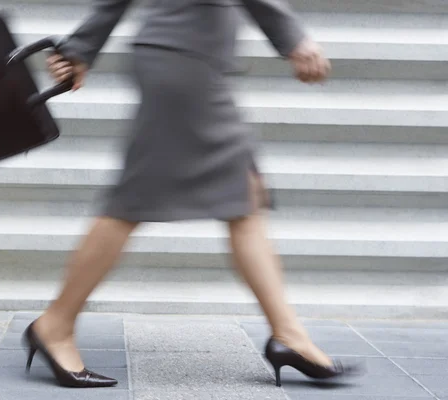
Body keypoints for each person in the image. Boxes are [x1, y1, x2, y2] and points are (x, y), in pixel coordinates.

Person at [23, 0, 360, 388]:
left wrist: (83, 45)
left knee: (244, 194)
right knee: (134, 200)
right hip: (183, 58)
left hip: (187, 57)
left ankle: (289, 334)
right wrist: (292, 37)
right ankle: (56, 324)